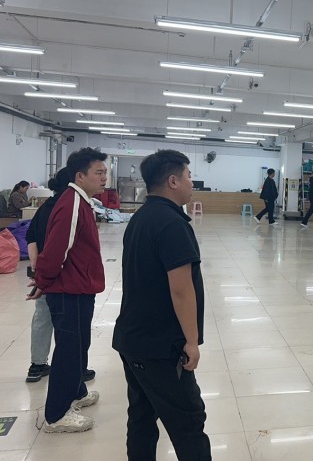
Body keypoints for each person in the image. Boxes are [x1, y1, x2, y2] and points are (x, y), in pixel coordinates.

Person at [113, 149, 211, 460]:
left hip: (134, 339)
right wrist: (192, 342)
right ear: (173, 181)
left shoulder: (142, 217)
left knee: (142, 417)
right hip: (160, 347)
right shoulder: (171, 224)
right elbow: (181, 290)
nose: (192, 182)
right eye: (189, 176)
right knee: (188, 422)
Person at [34, 148, 108, 433]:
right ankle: (56, 414)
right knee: (69, 349)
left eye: (105, 172)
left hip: (79, 287)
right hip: (69, 290)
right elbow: (55, 250)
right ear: (80, 176)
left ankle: (76, 392)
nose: (104, 178)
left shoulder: (81, 201)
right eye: (98, 173)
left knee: (79, 345)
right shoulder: (72, 204)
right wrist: (43, 282)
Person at [24, 168, 96, 384]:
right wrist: (45, 274)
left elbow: (31, 237)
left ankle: (37, 365)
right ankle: (74, 373)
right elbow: (60, 248)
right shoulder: (70, 206)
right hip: (63, 278)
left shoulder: (47, 206)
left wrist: (37, 267)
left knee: (42, 317)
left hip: (45, 273)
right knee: (71, 330)